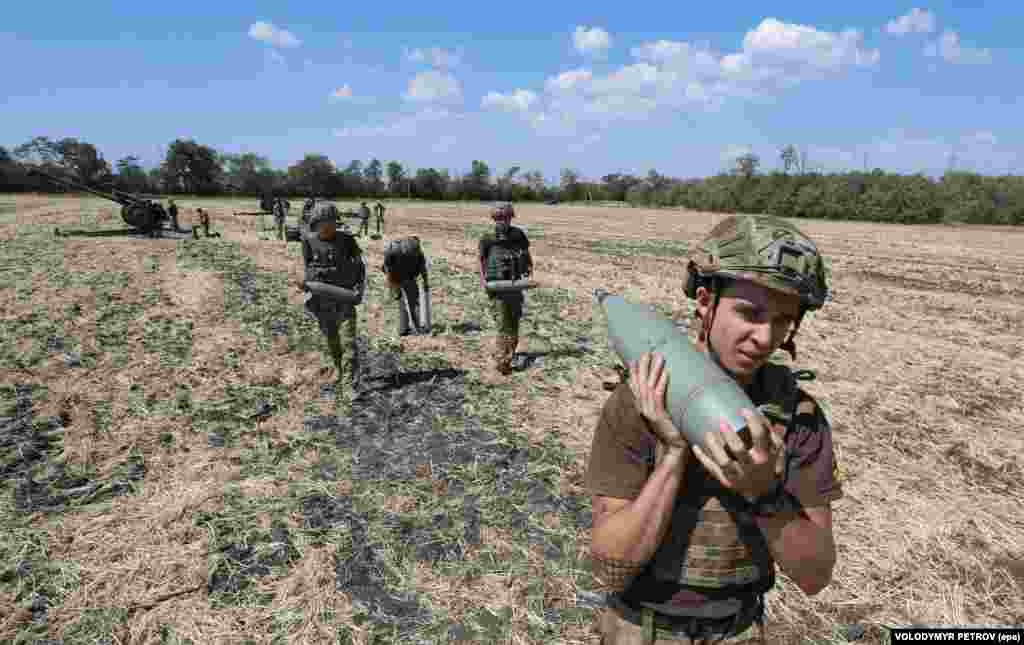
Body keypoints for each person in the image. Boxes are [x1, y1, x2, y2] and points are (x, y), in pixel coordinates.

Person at [584, 214, 842, 645]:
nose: (765, 337)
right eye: (749, 313)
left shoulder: (796, 416)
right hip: (641, 629)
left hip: (738, 629)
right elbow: (610, 567)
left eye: (782, 320)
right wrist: (673, 452)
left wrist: (764, 494)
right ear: (705, 301)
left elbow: (816, 575)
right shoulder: (639, 401)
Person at [302, 203, 366, 390]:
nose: (328, 226)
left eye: (331, 222)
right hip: (321, 302)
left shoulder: (347, 241)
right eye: (323, 222)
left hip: (344, 299)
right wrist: (305, 285)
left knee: (348, 343)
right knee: (332, 341)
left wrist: (360, 290)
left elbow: (361, 267)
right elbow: (307, 267)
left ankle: (350, 384)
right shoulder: (308, 241)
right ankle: (340, 372)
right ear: (316, 223)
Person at [478, 203, 533, 375]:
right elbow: (481, 260)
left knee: (514, 321)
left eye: (507, 218)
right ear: (494, 219)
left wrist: (530, 268)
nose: (503, 221)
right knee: (503, 324)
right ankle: (503, 360)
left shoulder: (518, 235)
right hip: (497, 288)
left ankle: (510, 353)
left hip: (515, 286)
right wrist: (483, 280)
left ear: (511, 217)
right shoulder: (487, 238)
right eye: (499, 218)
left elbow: (526, 253)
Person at [382, 236, 429, 336]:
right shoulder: (416, 250)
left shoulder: (393, 247)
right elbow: (422, 268)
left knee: (401, 304)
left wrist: (391, 282)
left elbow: (385, 267)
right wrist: (425, 282)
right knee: (414, 303)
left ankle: (403, 330)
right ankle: (418, 329)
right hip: (409, 279)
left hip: (395, 279)